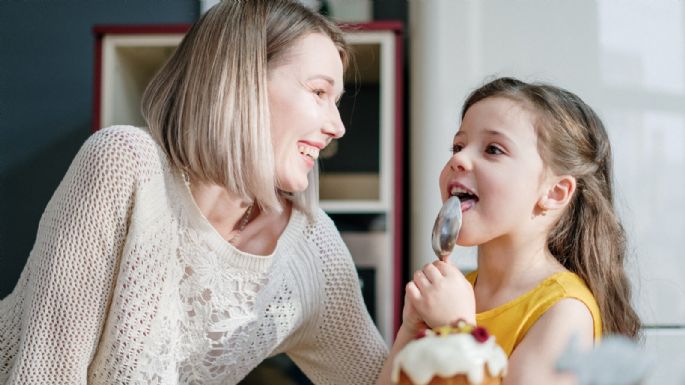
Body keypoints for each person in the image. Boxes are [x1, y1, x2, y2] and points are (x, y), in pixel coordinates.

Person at [0, 1, 388, 384]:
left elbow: (376, 380)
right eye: (319, 92)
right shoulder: (125, 165)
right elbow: (47, 373)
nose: (338, 126)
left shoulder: (311, 247)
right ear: (241, 81)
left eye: (335, 102)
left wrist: (436, 323)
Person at [377, 77, 641, 385]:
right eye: (458, 146)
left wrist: (458, 329)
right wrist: (410, 328)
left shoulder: (564, 312)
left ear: (554, 192)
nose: (458, 159)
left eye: (493, 149)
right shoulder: (461, 291)